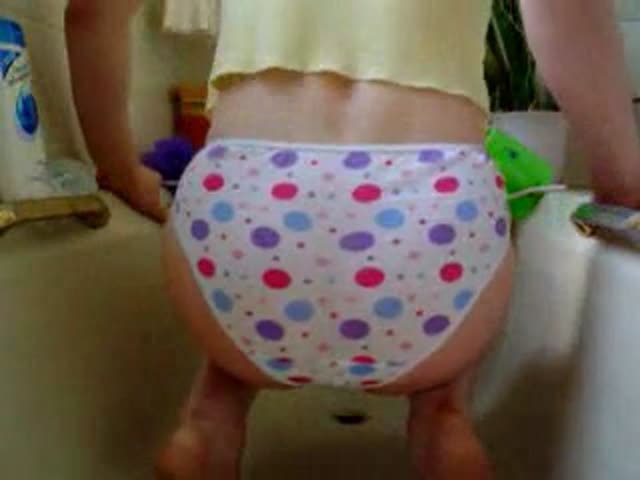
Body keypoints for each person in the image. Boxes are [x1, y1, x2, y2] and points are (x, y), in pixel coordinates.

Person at [65, 1, 640, 479]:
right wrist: (621, 179)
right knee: (442, 402)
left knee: (224, 383)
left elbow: (91, 14)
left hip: (240, 205)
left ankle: (208, 424)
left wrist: (118, 169)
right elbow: (566, 13)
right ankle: (442, 419)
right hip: (430, 216)